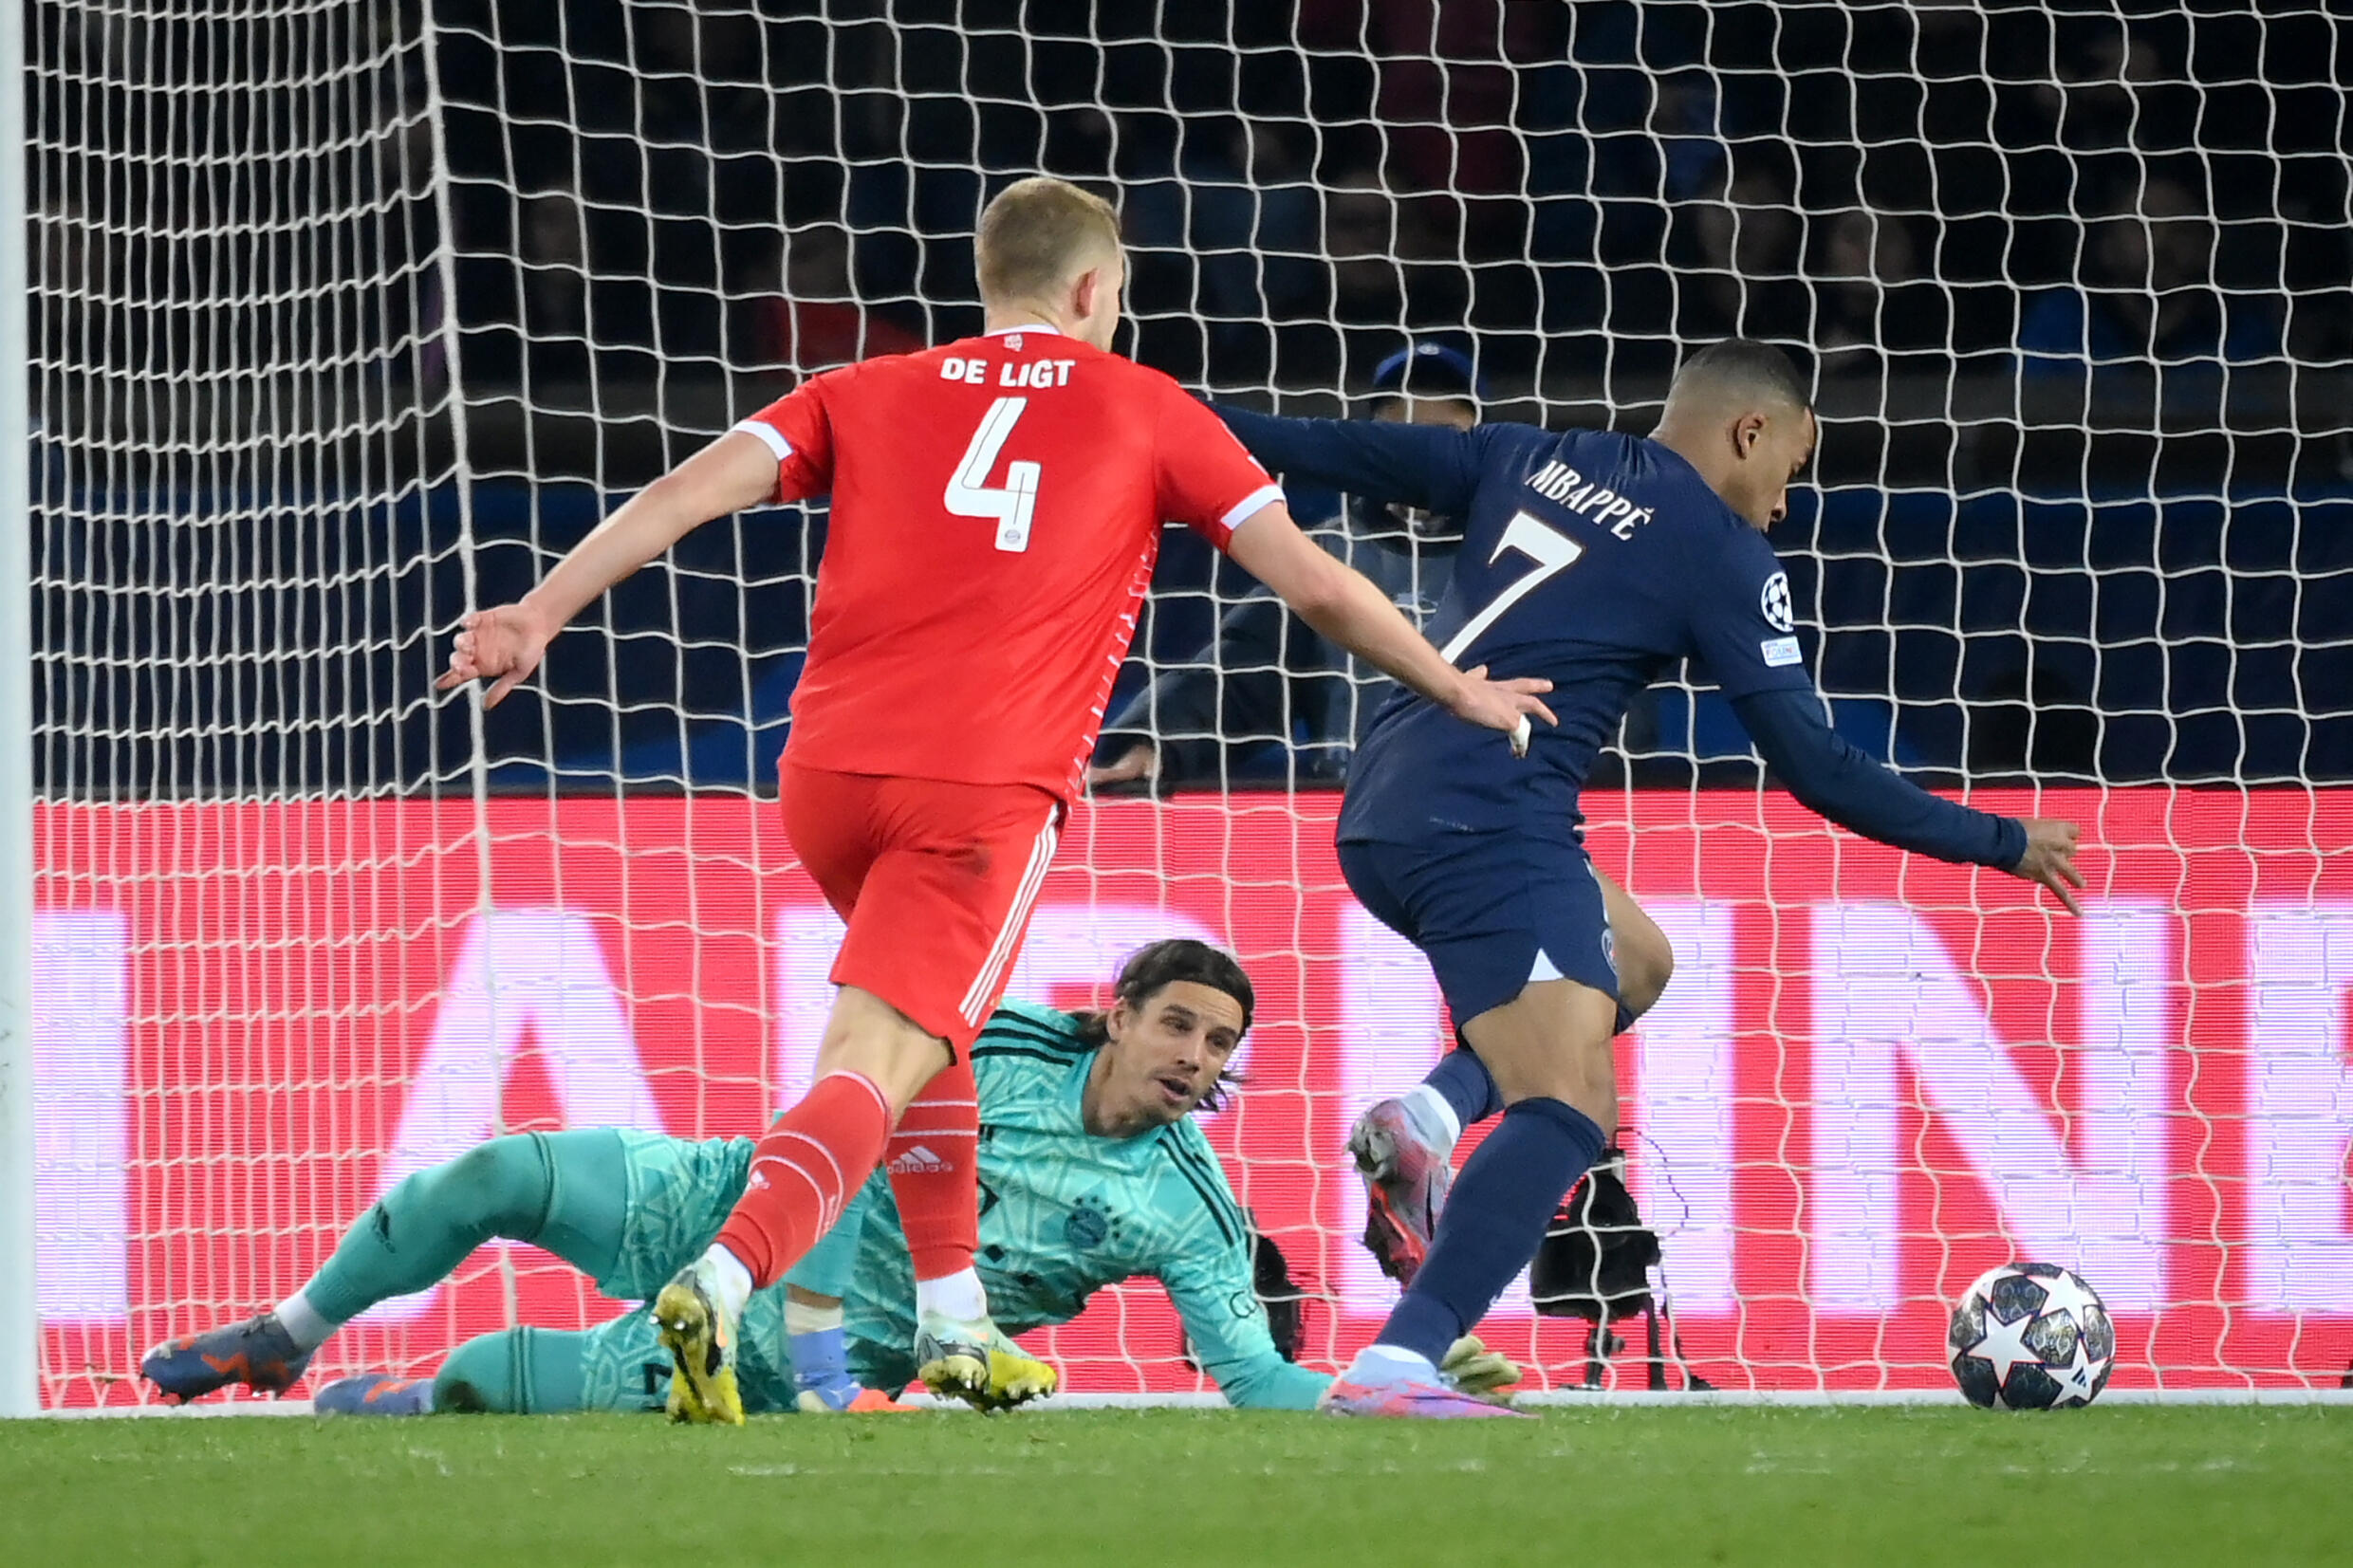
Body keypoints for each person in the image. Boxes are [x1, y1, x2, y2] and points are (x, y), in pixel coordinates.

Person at [436, 175, 1551, 1425]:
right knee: (875, 1059)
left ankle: (956, 1320)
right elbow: (1320, 587)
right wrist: (1451, 682)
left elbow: (680, 494)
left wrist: (539, 610)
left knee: (941, 1040)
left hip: (825, 781)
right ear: (1091, 290)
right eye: (1119, 295)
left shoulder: (865, 388)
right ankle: (723, 1273)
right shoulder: (1147, 406)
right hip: (976, 794)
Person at [1212, 339, 2086, 1417]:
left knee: (1637, 957)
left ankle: (1431, 1120)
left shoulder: (1525, 453)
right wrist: (1999, 841)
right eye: (1790, 471)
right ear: (1748, 431)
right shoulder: (1718, 552)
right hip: (1487, 812)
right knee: (1571, 1105)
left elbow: (1321, 448)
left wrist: (1146, 419)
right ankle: (1399, 1363)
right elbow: (1817, 769)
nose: (1781, 504)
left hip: (1384, 795)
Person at [140, 942, 1518, 1416]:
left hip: (796, 1343)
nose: (1194, 1057)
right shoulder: (1006, 1034)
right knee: (491, 1170)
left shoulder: (1193, 1206)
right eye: (1177, 1024)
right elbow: (864, 1073)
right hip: (742, 1198)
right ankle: (286, 1334)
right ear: (1118, 1012)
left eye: (1219, 1046)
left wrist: (1400, 1381)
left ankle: (382, 1397)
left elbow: (1253, 1378)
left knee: (485, 1384)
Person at [1089, 340, 1485, 790]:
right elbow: (1238, 673)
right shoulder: (1328, 552)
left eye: (1443, 435)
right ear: (1374, 439)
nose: (1421, 452)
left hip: (1490, 803)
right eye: (1404, 432)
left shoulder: (1516, 554)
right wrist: (1155, 744)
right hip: (1354, 803)